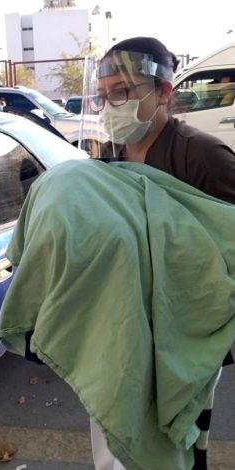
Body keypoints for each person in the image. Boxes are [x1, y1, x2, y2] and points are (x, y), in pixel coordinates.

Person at [84, 36, 235, 470]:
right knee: (117, 437)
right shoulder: (110, 156)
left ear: (164, 92)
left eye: (123, 93)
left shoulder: (202, 156)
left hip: (184, 337)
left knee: (179, 440)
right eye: (104, 95)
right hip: (122, 330)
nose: (111, 105)